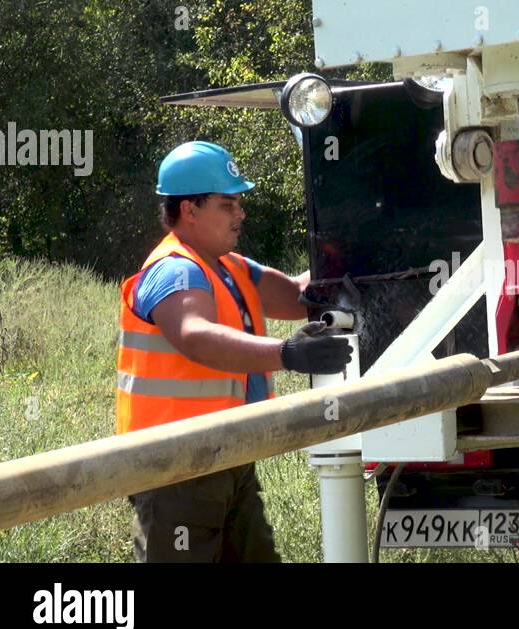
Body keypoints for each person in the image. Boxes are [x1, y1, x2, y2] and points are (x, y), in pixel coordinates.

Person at [115, 141, 351, 562]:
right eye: (228, 204)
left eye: (239, 203)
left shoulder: (230, 267)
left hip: (226, 458)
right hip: (175, 467)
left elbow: (300, 295)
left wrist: (354, 247)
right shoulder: (174, 269)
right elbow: (195, 334)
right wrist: (286, 353)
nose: (240, 214)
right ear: (189, 209)